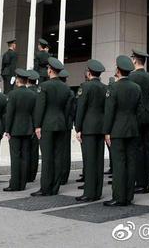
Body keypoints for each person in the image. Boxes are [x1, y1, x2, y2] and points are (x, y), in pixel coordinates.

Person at [103, 55, 142, 207]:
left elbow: (109, 112)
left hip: (117, 130)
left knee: (119, 164)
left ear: (118, 70)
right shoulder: (136, 88)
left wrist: (107, 131)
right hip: (132, 129)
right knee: (131, 163)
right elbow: (139, 111)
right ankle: (129, 195)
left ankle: (119, 197)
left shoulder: (113, 88)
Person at [31, 57, 74, 197]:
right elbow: (68, 110)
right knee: (57, 157)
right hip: (61, 124)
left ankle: (45, 188)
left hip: (47, 125)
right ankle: (55, 187)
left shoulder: (44, 86)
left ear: (50, 70)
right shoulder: (67, 89)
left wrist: (37, 126)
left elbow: (40, 108)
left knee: (47, 157)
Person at [75, 59, 107, 202]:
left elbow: (81, 108)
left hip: (88, 127)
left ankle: (89, 192)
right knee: (99, 160)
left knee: (89, 160)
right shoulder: (105, 88)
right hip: (101, 127)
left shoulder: (85, 87)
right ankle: (97, 191)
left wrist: (78, 127)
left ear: (89, 72)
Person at [4, 68, 37, 191]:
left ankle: (14, 184)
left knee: (15, 157)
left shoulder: (12, 94)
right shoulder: (33, 95)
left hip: (15, 129)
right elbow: (35, 114)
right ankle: (22, 184)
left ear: (18, 79)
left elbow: (10, 114)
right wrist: (34, 128)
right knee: (25, 156)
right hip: (28, 129)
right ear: (27, 80)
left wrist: (7, 129)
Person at [128, 49, 149, 194]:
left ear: (134, 60)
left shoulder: (131, 77)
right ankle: (146, 182)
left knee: (137, 150)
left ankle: (139, 181)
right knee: (147, 149)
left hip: (136, 117)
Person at [58, 67, 74, 185]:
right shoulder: (70, 92)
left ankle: (59, 175)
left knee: (58, 150)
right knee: (66, 150)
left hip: (59, 122)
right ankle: (64, 175)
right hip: (67, 123)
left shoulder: (59, 90)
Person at [25, 69, 41, 182]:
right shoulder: (40, 92)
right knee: (35, 151)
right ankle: (32, 174)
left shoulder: (27, 92)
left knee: (26, 151)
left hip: (26, 125)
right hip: (38, 125)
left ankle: (26, 174)